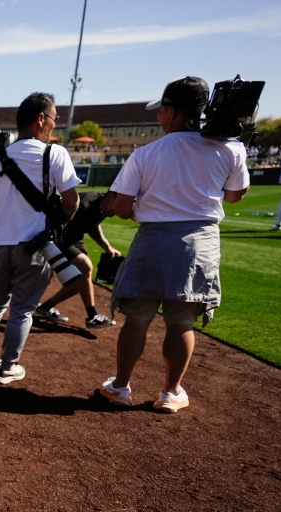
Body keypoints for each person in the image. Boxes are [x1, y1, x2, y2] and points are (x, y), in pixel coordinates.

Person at [98, 77, 249, 413]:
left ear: (172, 111)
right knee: (181, 321)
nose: (158, 117)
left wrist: (143, 215)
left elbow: (121, 208)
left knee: (137, 317)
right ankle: (171, 392)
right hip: (200, 241)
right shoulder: (231, 148)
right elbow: (235, 196)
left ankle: (121, 387)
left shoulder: (147, 153)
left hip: (153, 238)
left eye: (161, 110)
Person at [0, 92, 80, 384]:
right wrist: (62, 224)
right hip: (35, 244)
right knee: (22, 309)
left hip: (0, 243)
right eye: (54, 118)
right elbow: (72, 200)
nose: (54, 125)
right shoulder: (54, 153)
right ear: (41, 119)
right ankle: (8, 367)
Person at [35, 190, 119, 328]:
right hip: (59, 237)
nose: (119, 207)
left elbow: (93, 226)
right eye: (119, 201)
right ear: (110, 196)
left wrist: (107, 247)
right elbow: (57, 223)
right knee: (85, 267)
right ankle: (92, 316)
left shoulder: (105, 208)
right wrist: (49, 260)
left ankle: (45, 307)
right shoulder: (85, 202)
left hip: (75, 238)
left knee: (80, 279)